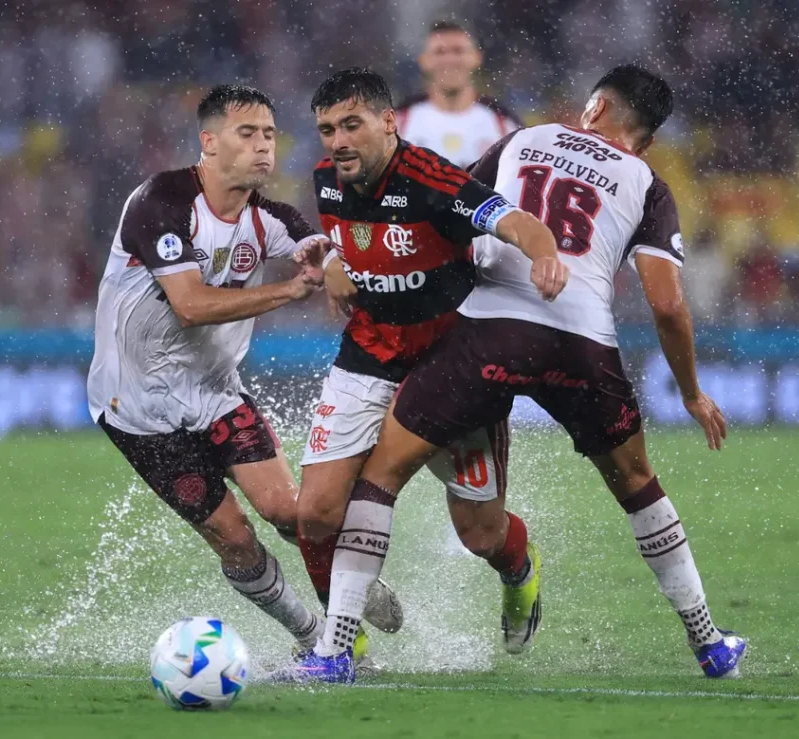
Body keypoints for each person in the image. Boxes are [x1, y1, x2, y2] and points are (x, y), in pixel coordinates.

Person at [298, 65, 746, 682]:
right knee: (638, 483)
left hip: (489, 335)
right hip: (583, 342)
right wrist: (692, 393)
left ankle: (333, 655)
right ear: (646, 136)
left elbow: (463, 217)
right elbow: (667, 305)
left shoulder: (523, 140)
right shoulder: (647, 181)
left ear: (593, 107)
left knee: (381, 477)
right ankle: (709, 643)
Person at [85, 84, 400, 655]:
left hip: (217, 394)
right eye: (246, 133)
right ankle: (310, 634)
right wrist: (289, 289)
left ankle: (349, 591)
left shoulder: (269, 217)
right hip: (138, 412)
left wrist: (329, 263)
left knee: (292, 511)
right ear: (208, 142)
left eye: (270, 135)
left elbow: (315, 248)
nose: (263, 147)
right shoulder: (160, 202)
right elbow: (190, 305)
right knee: (236, 539)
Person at [292, 68, 565, 658]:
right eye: (326, 130)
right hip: (367, 354)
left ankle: (520, 571)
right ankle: (346, 639)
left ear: (389, 122)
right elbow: (351, 237)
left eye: (351, 125)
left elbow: (513, 220)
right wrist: (336, 259)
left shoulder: (434, 182)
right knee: (314, 514)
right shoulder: (326, 181)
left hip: (452, 370)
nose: (338, 141)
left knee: (481, 533)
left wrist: (545, 256)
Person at [396, 20, 521, 169]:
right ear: (424, 61)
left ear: (476, 57)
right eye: (440, 52)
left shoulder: (504, 126)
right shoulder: (397, 125)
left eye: (458, 50)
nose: (450, 60)